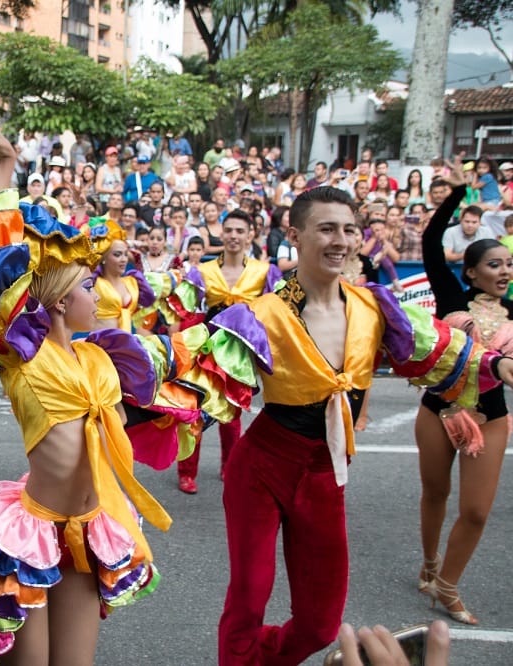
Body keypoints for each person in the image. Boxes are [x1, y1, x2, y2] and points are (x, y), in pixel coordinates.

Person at [0, 102, 174, 666]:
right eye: (86, 285)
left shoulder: (103, 356)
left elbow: (170, 371)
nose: (97, 293)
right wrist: (3, 167)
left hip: (88, 527)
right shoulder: (23, 356)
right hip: (30, 535)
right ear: (59, 301)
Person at [217, 185, 513, 665]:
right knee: (249, 597)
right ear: (295, 235)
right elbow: (196, 369)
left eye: (349, 229)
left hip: (325, 473)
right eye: (326, 229)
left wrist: (495, 363)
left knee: (320, 625)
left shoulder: (373, 306)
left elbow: (434, 346)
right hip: (262, 466)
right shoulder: (259, 314)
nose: (341, 240)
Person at [415, 159, 513, 626]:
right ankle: (430, 562)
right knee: (436, 492)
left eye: (509, 264)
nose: (505, 271)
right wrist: (456, 194)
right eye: (495, 265)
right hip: (439, 410)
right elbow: (431, 242)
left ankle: (448, 585)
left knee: (475, 512)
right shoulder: (450, 298)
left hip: (490, 417)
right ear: (471, 272)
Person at [176, 209, 281, 494]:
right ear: (221, 234)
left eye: (240, 231)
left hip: (241, 354)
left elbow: (276, 313)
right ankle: (186, 472)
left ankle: (230, 466)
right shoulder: (203, 271)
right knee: (194, 411)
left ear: (250, 235)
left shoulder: (263, 272)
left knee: (231, 415)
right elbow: (188, 312)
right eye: (230, 230)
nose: (234, 236)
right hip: (207, 349)